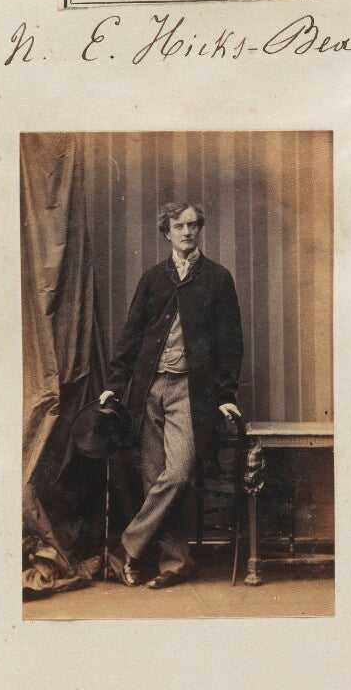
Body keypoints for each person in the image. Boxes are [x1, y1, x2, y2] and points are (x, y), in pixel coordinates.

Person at [100, 202, 243, 589]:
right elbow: (131, 336)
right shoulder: (152, 279)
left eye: (193, 225)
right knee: (154, 480)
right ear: (167, 232)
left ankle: (128, 547)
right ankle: (175, 563)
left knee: (177, 475)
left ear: (199, 229)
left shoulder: (217, 278)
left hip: (191, 393)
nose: (187, 232)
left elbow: (231, 343)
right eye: (179, 226)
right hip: (149, 391)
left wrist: (226, 393)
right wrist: (114, 385)